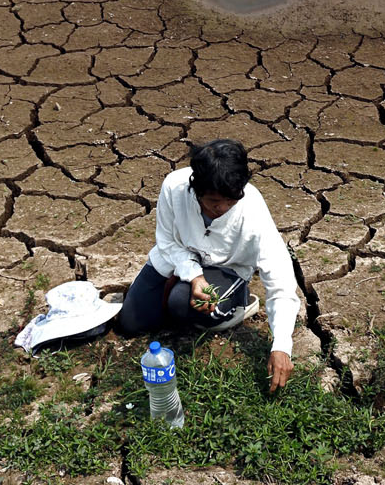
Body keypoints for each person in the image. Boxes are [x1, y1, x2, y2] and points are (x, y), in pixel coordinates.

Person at [116, 138, 299, 391]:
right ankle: (179, 290)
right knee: (130, 323)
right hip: (176, 258)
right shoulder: (174, 187)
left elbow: (280, 279)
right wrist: (193, 275)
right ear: (196, 189)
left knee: (181, 303)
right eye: (213, 201)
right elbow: (167, 242)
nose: (222, 208)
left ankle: (239, 299)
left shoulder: (253, 209)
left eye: (230, 201)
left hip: (226, 268)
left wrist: (281, 346)